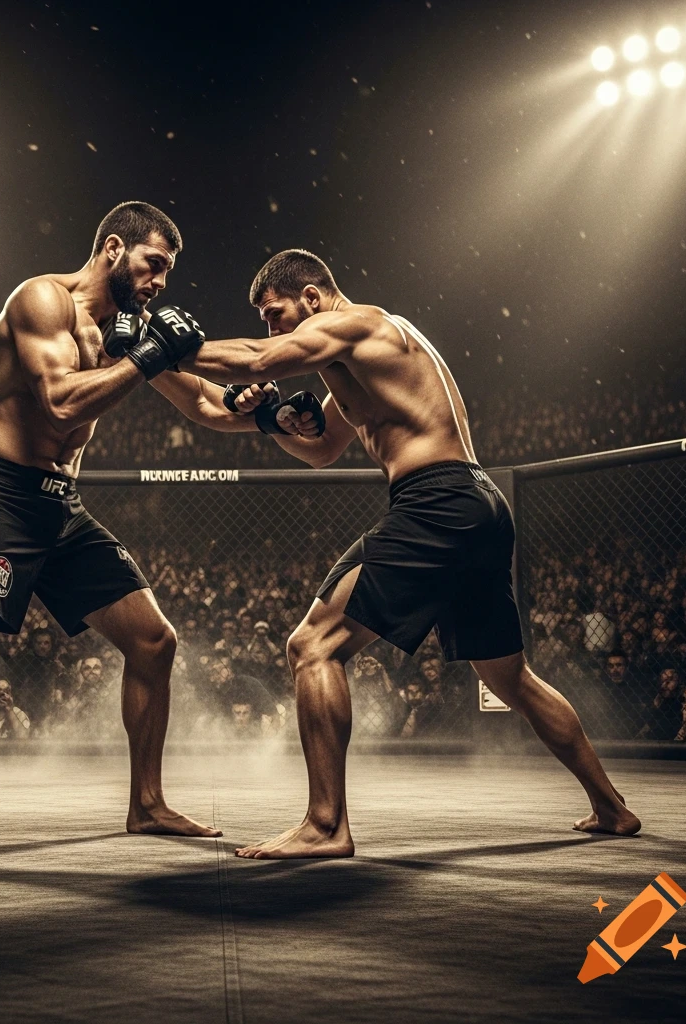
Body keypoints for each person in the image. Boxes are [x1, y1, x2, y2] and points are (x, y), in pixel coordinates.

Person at [0, 202, 322, 861]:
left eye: (168, 272)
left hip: (60, 506)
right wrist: (148, 358)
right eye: (153, 264)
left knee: (155, 642)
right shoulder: (40, 301)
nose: (159, 282)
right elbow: (61, 400)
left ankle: (147, 805)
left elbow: (207, 407)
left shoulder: (129, 329)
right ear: (111, 249)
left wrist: (266, 420)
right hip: (4, 494)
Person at [182, 247, 641, 857]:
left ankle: (326, 826)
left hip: (438, 501)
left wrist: (167, 347)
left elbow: (259, 359)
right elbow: (322, 449)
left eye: (275, 312)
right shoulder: (351, 363)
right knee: (510, 676)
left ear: (312, 298)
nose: (271, 327)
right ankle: (612, 809)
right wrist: (270, 420)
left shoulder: (362, 323)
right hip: (475, 506)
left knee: (312, 645)